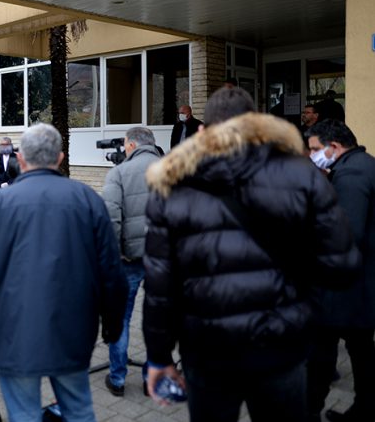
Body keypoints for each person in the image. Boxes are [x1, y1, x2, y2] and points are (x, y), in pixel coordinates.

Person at [142, 87, 360, 422]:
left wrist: (159, 357)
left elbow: (160, 286)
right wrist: (300, 307)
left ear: (202, 131)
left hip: (207, 351)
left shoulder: (173, 185)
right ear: (256, 126)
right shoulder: (303, 173)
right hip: (281, 346)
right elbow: (342, 265)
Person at [0, 123, 128, 422]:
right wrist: (113, 327)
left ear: (20, 159)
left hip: (10, 336)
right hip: (73, 333)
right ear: (61, 158)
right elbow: (112, 274)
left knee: (24, 415)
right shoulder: (88, 199)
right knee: (78, 410)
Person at [305, 119, 375, 422]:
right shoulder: (363, 164)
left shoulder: (351, 175)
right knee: (361, 349)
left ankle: (309, 411)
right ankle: (365, 407)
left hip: (343, 286)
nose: (312, 156)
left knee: (320, 352)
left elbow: (346, 233)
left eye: (315, 149)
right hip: (361, 283)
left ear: (334, 147)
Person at [101, 126, 161, 397]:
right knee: (157, 319)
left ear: (132, 145)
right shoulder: (172, 168)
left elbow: (111, 218)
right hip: (162, 260)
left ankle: (117, 378)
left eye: (126, 144)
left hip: (129, 259)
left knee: (121, 318)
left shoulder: (119, 172)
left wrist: (113, 257)